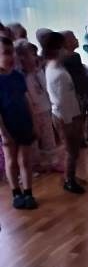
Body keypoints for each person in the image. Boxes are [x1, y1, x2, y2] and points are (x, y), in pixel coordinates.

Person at [44, 32, 86, 195]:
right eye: (63, 47)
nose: (66, 50)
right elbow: (59, 101)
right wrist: (69, 121)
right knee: (71, 150)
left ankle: (71, 175)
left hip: (70, 114)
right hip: (64, 118)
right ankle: (69, 181)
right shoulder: (56, 72)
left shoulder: (58, 67)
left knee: (73, 150)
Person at [0, 35, 38, 209]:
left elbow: (26, 100)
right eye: (5, 53)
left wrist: (34, 122)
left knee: (25, 160)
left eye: (12, 53)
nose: (10, 57)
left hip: (23, 123)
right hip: (8, 126)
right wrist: (3, 132)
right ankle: (16, 192)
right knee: (11, 160)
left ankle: (28, 192)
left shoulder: (17, 76)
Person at [15, 40, 61, 175]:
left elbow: (46, 88)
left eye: (34, 54)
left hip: (45, 109)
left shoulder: (39, 72)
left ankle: (53, 162)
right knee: (33, 141)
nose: (34, 58)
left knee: (48, 138)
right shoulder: (21, 77)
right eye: (31, 55)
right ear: (21, 58)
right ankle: (35, 165)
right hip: (32, 114)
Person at [60, 29, 88, 147]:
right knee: (80, 116)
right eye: (73, 38)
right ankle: (81, 137)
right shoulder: (64, 59)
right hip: (77, 92)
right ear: (66, 42)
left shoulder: (76, 56)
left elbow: (81, 71)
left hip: (86, 88)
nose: (76, 39)